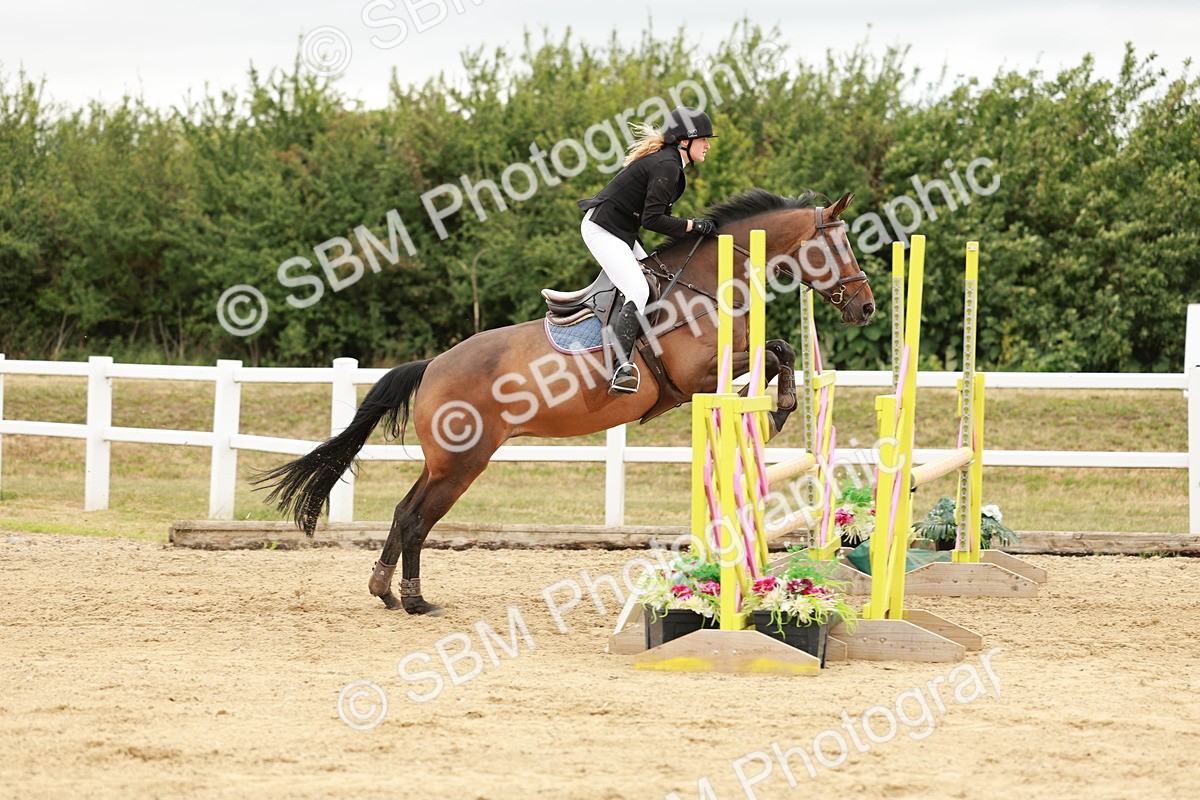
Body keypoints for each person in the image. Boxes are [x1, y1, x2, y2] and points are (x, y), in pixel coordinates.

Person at [577, 106, 718, 395]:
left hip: (622, 231)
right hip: (602, 229)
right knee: (639, 291)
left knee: (657, 278)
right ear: (684, 141)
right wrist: (693, 226)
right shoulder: (666, 164)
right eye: (703, 139)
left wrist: (692, 228)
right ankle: (619, 367)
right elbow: (652, 220)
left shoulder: (670, 162)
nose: (707, 144)